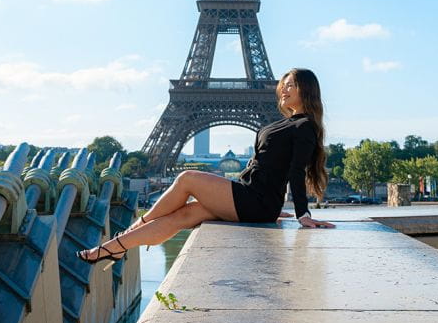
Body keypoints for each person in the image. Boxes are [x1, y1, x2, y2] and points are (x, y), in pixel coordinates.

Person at [76, 68, 335, 265]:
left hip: (257, 200)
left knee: (188, 178)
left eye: (292, 85)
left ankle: (131, 230)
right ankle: (117, 247)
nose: (285, 89)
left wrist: (303, 214)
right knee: (186, 215)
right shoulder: (285, 123)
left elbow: (296, 171)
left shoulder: (304, 126)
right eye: (284, 85)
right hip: (253, 196)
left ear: (307, 90)